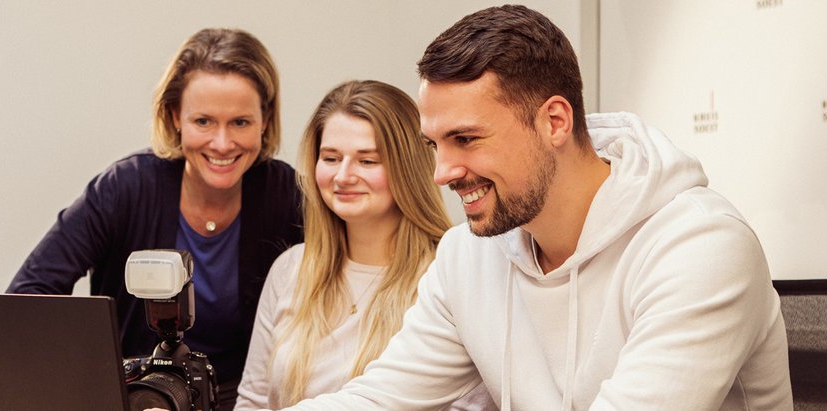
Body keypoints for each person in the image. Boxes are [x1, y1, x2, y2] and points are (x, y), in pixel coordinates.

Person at [275, 5, 792, 410]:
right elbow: (378, 399)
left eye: (466, 138)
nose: (442, 173)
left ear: (555, 122)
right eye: (436, 144)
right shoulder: (465, 258)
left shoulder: (700, 248)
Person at [6, 28, 303, 408]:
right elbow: (25, 300)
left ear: (265, 119)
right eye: (204, 121)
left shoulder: (287, 195)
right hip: (137, 401)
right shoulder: (126, 188)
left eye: (240, 122)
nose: (223, 143)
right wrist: (97, 376)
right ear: (175, 115)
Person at [234, 80, 495, 410]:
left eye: (367, 161)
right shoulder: (291, 268)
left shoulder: (450, 275)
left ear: (407, 169)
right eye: (330, 158)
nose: (343, 176)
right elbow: (253, 401)